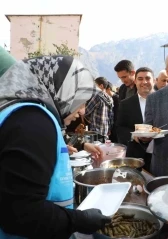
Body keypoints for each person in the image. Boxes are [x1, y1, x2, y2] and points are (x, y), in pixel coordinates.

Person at [0, 48, 110, 238]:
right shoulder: (33, 121)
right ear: (63, 89)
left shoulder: (28, 115)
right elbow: (20, 214)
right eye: (81, 100)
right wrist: (79, 220)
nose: (82, 112)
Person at [117, 67, 155, 171]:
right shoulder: (126, 104)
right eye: (140, 79)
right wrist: (135, 136)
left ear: (154, 80)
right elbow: (120, 128)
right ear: (135, 81)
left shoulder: (165, 102)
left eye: (148, 78)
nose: (144, 82)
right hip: (136, 156)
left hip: (160, 155)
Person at [85, 77, 114, 142]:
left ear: (101, 86)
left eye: (95, 85)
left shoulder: (97, 97)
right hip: (106, 131)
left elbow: (86, 111)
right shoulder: (110, 98)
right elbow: (111, 116)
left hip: (96, 131)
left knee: (95, 150)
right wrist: (109, 128)